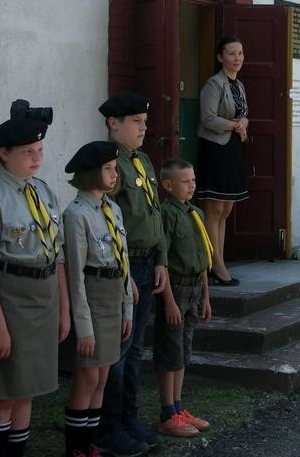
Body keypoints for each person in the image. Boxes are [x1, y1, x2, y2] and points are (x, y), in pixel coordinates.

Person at [0, 114, 70, 457]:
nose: (37, 158)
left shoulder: (42, 190)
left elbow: (58, 254)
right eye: (27, 152)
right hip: (8, 300)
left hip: (42, 298)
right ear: (4, 154)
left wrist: (63, 309)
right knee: (2, 394)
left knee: (26, 391)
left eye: (40, 150)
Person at [98, 92, 168, 456]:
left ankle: (129, 419)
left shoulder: (141, 161)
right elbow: (107, 221)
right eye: (136, 122)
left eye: (145, 121)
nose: (144, 127)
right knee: (119, 350)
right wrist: (124, 273)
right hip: (124, 266)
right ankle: (110, 427)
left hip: (146, 262)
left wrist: (161, 260)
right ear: (114, 123)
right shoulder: (109, 164)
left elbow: (155, 216)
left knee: (136, 347)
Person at [62, 141, 134, 457]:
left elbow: (124, 261)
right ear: (91, 173)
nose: (114, 174)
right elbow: (75, 275)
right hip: (90, 297)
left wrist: (127, 309)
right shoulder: (76, 214)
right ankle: (76, 448)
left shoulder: (112, 208)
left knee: (103, 375)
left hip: (113, 296)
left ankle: (91, 444)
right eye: (108, 169)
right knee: (88, 376)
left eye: (115, 168)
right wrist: (84, 326)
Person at [154, 159, 213, 437]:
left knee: (184, 352)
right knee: (170, 353)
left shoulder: (196, 214)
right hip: (175, 289)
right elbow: (162, 259)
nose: (192, 185)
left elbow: (203, 258)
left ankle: (179, 408)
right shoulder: (166, 214)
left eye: (193, 180)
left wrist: (206, 296)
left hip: (194, 289)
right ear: (168, 185)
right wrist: (168, 301)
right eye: (186, 181)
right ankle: (167, 413)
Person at [197, 35, 249, 286]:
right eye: (231, 53)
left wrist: (243, 123)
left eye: (240, 53)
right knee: (214, 209)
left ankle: (221, 260)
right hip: (216, 149)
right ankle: (214, 265)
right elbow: (207, 118)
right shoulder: (213, 84)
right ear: (220, 57)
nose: (237, 58)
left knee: (226, 209)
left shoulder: (238, 85)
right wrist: (234, 125)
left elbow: (244, 114)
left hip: (233, 149)